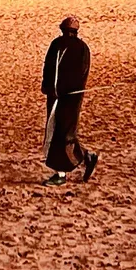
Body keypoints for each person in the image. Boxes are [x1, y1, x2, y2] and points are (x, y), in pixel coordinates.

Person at [40, 15, 99, 185]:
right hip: (69, 97)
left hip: (63, 97)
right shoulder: (81, 47)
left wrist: (53, 90)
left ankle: (61, 175)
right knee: (65, 132)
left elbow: (51, 70)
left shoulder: (59, 45)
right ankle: (86, 157)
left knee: (60, 133)